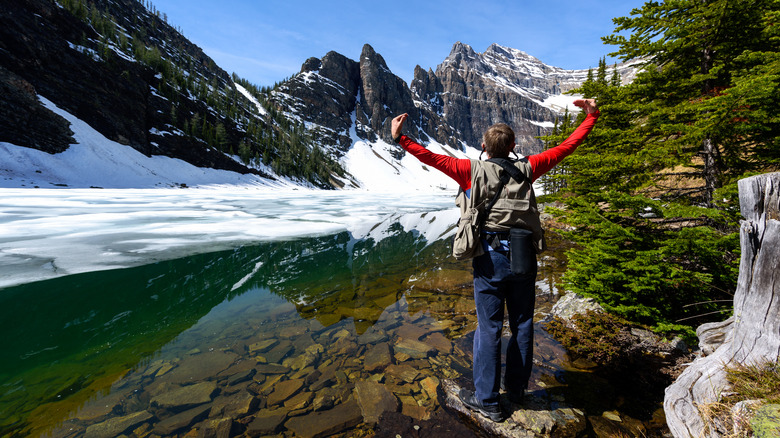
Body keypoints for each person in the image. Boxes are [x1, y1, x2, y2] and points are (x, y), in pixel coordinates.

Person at [391, 99, 599, 422]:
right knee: (523, 325)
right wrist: (591, 117)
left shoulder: (471, 170)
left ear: (484, 147)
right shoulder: (529, 167)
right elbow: (566, 147)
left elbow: (432, 159)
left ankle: (487, 400)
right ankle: (515, 391)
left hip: (489, 258)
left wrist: (401, 138)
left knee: (488, 327)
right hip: (523, 256)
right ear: (513, 147)